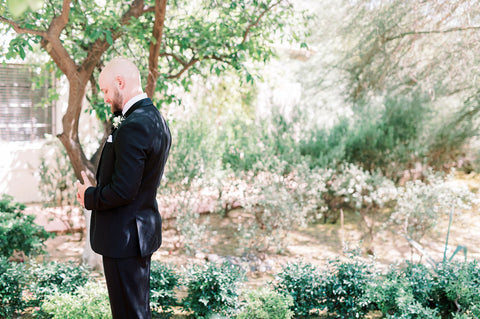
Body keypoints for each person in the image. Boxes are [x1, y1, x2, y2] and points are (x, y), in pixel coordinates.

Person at [76, 57, 171, 319]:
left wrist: (89, 197)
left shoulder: (135, 125)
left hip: (125, 237)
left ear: (121, 82)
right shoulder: (154, 119)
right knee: (135, 310)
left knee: (129, 314)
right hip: (135, 234)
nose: (105, 97)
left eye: (106, 90)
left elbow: (123, 190)